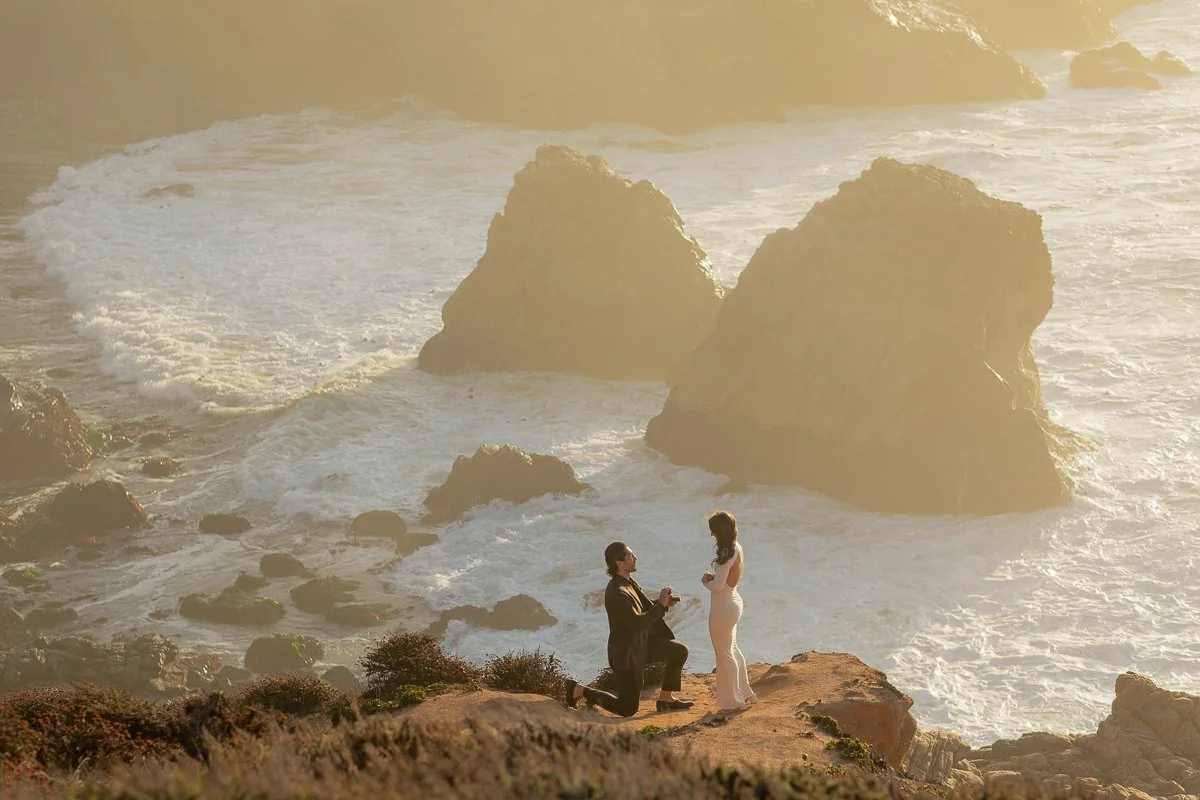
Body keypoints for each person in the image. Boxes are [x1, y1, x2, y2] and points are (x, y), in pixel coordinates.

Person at [563, 541, 694, 716]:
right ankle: (579, 690)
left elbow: (641, 610)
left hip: (643, 645)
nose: (635, 557)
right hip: (627, 655)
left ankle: (665, 699)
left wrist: (662, 603)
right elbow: (636, 622)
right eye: (630, 555)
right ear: (619, 563)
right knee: (627, 708)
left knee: (679, 651)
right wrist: (660, 607)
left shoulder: (628, 582)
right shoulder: (617, 591)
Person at [701, 510, 757, 712]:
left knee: (724, 654)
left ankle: (733, 702)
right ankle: (745, 692)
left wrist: (706, 581)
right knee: (732, 649)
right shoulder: (737, 547)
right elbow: (725, 580)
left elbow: (717, 587)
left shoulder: (727, 553)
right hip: (734, 601)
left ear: (719, 532)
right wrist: (715, 578)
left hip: (723, 607)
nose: (711, 535)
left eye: (713, 531)